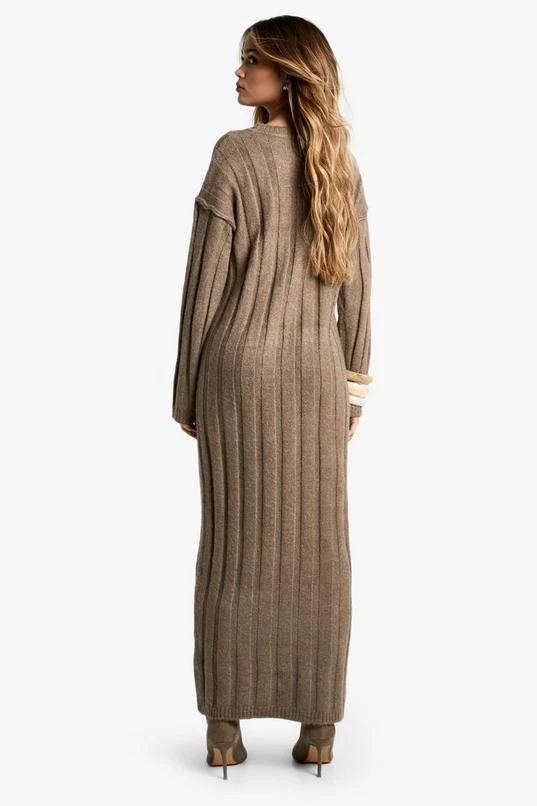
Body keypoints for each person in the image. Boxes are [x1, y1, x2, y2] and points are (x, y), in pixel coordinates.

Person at [172, 15, 373, 780]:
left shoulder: (235, 155)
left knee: (232, 547)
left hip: (236, 373)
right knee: (319, 547)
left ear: (288, 75)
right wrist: (352, 386)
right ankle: (317, 727)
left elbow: (204, 286)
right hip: (314, 376)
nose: (238, 72)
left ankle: (223, 729)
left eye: (251, 61)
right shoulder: (337, 164)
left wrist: (186, 389)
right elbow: (358, 290)